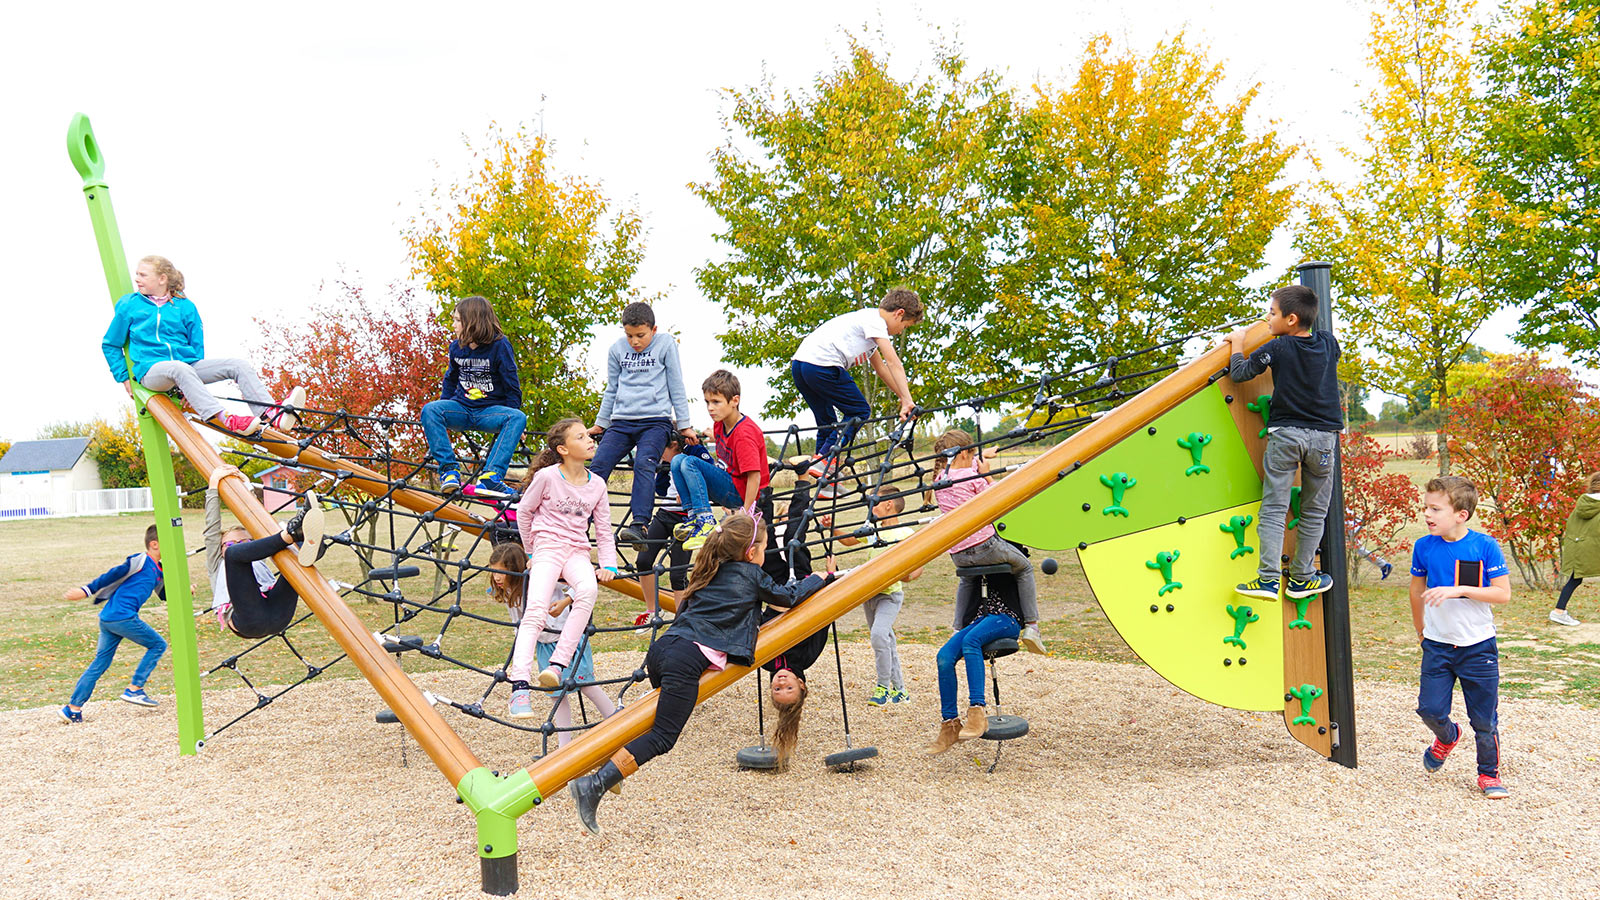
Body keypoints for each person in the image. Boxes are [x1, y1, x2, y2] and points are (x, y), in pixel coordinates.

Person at [567, 511, 829, 834]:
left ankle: (612, 766)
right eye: (761, 549)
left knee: (653, 721)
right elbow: (787, 598)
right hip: (686, 659)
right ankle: (594, 786)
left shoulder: (708, 570)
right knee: (664, 737)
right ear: (751, 553)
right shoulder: (750, 574)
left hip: (662, 653)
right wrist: (818, 579)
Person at [1222, 285, 1343, 602]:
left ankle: (1267, 580)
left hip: (1286, 435)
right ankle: (1303, 577)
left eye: (1272, 313)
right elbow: (1324, 353)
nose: (1266, 318)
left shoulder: (1277, 349)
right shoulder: (1329, 343)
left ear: (1290, 319)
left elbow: (1240, 373)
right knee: (1315, 511)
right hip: (1323, 438)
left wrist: (1238, 342)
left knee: (1274, 509)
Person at [101, 255, 304, 436]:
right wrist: (124, 378)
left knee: (237, 365)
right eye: (137, 274)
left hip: (186, 367)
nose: (137, 279)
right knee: (178, 368)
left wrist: (189, 387)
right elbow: (110, 344)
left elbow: (196, 348)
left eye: (143, 275)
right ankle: (226, 418)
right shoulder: (130, 305)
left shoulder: (185, 307)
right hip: (152, 371)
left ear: (162, 279)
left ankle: (269, 412)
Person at [1410, 476, 1512, 799]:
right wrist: (1421, 632)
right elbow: (1416, 591)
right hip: (1437, 646)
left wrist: (1460, 590)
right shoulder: (1423, 547)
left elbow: (1503, 594)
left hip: (1478, 647)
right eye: (1426, 507)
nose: (1427, 514)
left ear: (1460, 515)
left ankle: (1488, 774)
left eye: (1435, 509)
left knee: (1484, 720)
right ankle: (1447, 736)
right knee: (1429, 710)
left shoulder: (1484, 546)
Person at [511, 419, 618, 697]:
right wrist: (531, 551)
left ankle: (558, 663)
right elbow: (524, 512)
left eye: (587, 436)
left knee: (588, 589)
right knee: (535, 609)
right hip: (547, 547)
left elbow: (604, 528)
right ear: (563, 449)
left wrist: (608, 563)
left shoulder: (597, 485)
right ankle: (520, 683)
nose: (589, 441)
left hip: (576, 551)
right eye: (580, 437)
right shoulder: (547, 476)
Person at [788, 288, 921, 499]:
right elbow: (893, 362)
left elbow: (881, 369)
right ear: (899, 313)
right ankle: (826, 461)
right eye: (904, 326)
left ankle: (824, 480)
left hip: (800, 366)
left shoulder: (864, 322)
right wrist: (909, 400)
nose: (900, 331)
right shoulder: (876, 321)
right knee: (859, 410)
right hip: (823, 365)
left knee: (828, 423)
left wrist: (904, 399)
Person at [928, 429, 1045, 654]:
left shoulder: (939, 478)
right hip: (985, 546)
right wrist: (987, 474)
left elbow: (965, 471)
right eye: (972, 454)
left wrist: (984, 455)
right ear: (963, 454)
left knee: (968, 581)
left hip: (959, 554)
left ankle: (957, 628)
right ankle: (1032, 627)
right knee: (1024, 568)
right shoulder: (974, 477)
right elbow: (996, 498)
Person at [590, 302, 694, 551]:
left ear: (653, 329)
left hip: (655, 421)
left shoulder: (666, 344)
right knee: (598, 465)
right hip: (621, 421)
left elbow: (676, 385)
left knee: (644, 462)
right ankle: (578, 519)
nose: (634, 341)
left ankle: (639, 525)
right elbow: (611, 388)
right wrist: (600, 424)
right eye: (629, 336)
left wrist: (686, 425)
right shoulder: (616, 349)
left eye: (640, 335)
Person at [486, 544, 619, 738]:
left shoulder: (541, 577)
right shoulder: (507, 590)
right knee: (555, 694)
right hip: (544, 644)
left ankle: (616, 721)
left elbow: (582, 585)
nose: (497, 577)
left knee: (587, 685)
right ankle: (564, 747)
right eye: (494, 571)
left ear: (515, 570)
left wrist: (565, 601)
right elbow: (519, 622)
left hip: (566, 639)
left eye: (502, 572)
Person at [819, 494, 924, 705]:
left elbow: (918, 566)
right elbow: (849, 540)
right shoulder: (873, 530)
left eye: (875, 503)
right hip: (870, 594)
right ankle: (901, 690)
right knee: (886, 640)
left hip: (890, 595)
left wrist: (906, 575)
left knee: (878, 636)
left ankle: (883, 686)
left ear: (889, 504)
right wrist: (833, 528)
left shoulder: (905, 533)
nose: (871, 508)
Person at [59, 524, 169, 722]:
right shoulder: (141, 560)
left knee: (100, 663)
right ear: (154, 544)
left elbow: (164, 594)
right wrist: (86, 590)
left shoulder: (158, 569)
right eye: (168, 541)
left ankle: (72, 709)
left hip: (109, 618)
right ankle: (135, 688)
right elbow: (113, 573)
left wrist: (186, 589)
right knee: (158, 644)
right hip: (122, 617)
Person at [420, 296, 526, 497]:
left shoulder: (500, 346)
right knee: (431, 410)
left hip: (489, 412)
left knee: (517, 417)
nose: (453, 325)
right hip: (461, 408)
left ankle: (490, 478)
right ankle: (449, 472)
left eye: (457, 320)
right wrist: (446, 408)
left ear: (472, 321)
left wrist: (515, 426)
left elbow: (512, 386)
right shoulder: (456, 348)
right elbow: (450, 380)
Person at [204, 466, 326, 638]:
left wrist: (248, 489)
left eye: (245, 541)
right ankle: (294, 534)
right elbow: (211, 530)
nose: (237, 544)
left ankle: (305, 543)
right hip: (248, 621)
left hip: (278, 614)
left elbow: (256, 522)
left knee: (294, 560)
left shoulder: (257, 555)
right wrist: (213, 486)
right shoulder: (218, 562)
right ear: (220, 548)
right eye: (230, 543)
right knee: (235, 555)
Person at [925, 568, 1025, 754]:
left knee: (971, 641)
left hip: (1006, 618)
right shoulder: (972, 560)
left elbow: (1025, 574)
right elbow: (965, 586)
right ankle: (950, 726)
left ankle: (977, 711)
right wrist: (959, 624)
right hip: (980, 619)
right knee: (944, 656)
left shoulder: (1009, 553)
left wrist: (1033, 624)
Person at [670, 369, 770, 550]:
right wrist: (709, 436)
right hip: (728, 485)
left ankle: (706, 521)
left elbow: (754, 476)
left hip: (741, 493)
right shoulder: (720, 425)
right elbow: (726, 440)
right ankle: (694, 517)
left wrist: (746, 514)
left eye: (716, 402)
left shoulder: (744, 434)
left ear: (735, 401)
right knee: (678, 460)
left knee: (690, 462)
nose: (710, 408)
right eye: (707, 402)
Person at [635, 429, 708, 623]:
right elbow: (660, 489)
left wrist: (689, 494)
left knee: (678, 574)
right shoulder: (664, 465)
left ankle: (680, 621)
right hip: (664, 514)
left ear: (674, 445)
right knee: (643, 561)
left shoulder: (693, 454)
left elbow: (710, 475)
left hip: (686, 519)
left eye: (662, 448)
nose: (659, 452)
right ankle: (652, 611)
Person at [759, 606, 833, 770]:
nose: (782, 683)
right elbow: (822, 626)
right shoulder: (806, 657)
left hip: (776, 602)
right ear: (801, 684)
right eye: (789, 688)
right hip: (804, 604)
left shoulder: (765, 661)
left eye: (777, 690)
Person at [1552, 471, 1600, 626]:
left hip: (1579, 547)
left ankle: (1559, 611)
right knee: (1575, 579)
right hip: (1593, 547)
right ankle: (1558, 612)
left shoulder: (1583, 503)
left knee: (1575, 579)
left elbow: (1572, 527)